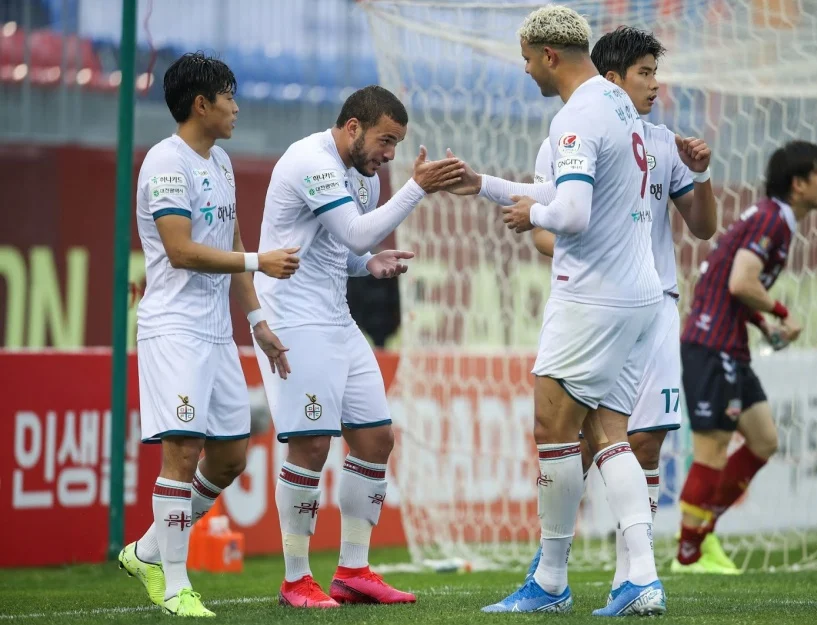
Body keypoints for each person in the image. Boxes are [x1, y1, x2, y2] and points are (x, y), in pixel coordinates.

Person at [444, 5, 665, 615]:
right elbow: (571, 190)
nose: (525, 71)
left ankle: (549, 580)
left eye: (525, 59)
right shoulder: (618, 104)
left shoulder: (576, 115)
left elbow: (570, 213)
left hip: (593, 296)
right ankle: (641, 578)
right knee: (607, 431)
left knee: (553, 429)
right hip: (641, 294)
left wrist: (528, 216)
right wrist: (484, 184)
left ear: (547, 56)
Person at [524, 25, 719, 603]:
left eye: (656, 72)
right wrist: (595, 255)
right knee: (584, 436)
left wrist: (702, 173)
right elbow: (543, 230)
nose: (655, 85)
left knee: (646, 440)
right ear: (611, 78)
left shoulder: (661, 145)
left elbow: (704, 227)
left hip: (654, 306)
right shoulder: (571, 133)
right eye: (644, 73)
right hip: (601, 300)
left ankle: (625, 574)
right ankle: (558, 563)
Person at [253, 85, 464, 608]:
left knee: (376, 439)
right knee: (312, 446)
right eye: (384, 140)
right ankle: (296, 578)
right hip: (294, 320)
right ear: (353, 128)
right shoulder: (311, 160)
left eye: (395, 144)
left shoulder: (362, 176)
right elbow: (352, 230)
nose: (389, 153)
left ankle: (352, 571)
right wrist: (415, 188)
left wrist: (366, 265)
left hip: (335, 318)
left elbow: (340, 247)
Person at [119, 52, 300, 618]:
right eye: (229, 95)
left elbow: (231, 236)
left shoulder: (219, 160)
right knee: (182, 451)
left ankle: (148, 549)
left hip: (218, 331)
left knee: (229, 459)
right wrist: (258, 261)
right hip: (173, 329)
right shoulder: (165, 164)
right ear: (202, 103)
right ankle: (175, 585)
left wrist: (257, 323)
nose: (236, 107)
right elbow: (180, 251)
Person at [672, 141, 817, 574]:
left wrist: (764, 327)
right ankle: (689, 555)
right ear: (798, 184)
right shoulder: (770, 220)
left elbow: (734, 284)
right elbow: (741, 282)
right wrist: (781, 312)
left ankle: (702, 534)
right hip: (710, 344)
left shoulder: (776, 220)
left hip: (731, 344)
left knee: (764, 440)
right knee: (712, 450)